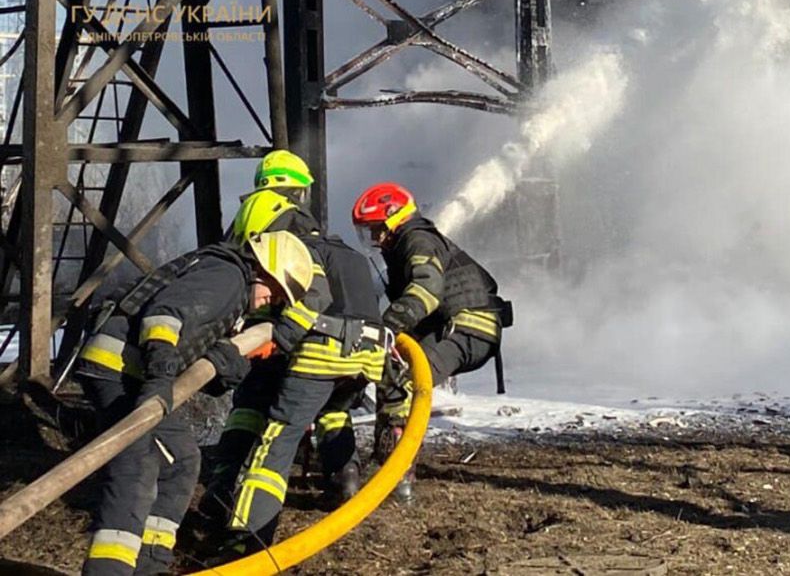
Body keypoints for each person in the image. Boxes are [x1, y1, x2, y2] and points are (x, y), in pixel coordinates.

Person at [77, 231, 314, 576]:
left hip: (138, 376)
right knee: (137, 467)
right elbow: (165, 317)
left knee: (182, 462)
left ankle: (150, 567)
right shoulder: (227, 276)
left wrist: (227, 362)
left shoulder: (229, 290)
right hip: (119, 370)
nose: (269, 302)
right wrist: (159, 378)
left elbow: (192, 347)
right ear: (262, 269)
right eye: (273, 291)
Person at [203, 187, 385, 557]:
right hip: (367, 354)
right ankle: (345, 478)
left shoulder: (299, 249)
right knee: (334, 412)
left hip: (324, 348)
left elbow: (310, 299)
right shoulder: (348, 253)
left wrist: (277, 337)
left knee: (277, 439)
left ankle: (247, 539)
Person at [352, 182, 512, 501]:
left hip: (467, 328)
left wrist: (387, 327)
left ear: (394, 219)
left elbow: (426, 291)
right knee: (391, 370)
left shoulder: (417, 239)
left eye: (376, 229)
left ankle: (399, 476)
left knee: (406, 381)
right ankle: (386, 461)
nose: (374, 239)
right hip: (455, 327)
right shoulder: (404, 243)